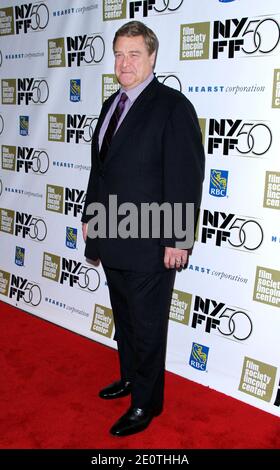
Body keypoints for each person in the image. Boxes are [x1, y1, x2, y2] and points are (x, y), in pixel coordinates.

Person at [81, 21, 205, 437]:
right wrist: (89, 217)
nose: (124, 62)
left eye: (134, 54)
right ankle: (132, 379)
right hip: (111, 235)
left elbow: (185, 177)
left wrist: (178, 238)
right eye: (118, 53)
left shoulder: (173, 106)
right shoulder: (109, 105)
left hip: (152, 240)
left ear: (152, 57)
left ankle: (146, 404)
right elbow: (99, 170)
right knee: (127, 320)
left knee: (149, 325)